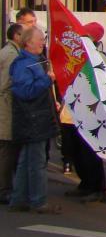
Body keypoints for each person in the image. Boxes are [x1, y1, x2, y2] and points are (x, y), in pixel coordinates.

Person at [8, 27, 59, 214]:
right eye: (40, 39)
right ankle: (38, 201)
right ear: (28, 42)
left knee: (26, 161)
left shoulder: (34, 62)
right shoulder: (24, 65)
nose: (43, 42)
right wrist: (46, 80)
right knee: (36, 162)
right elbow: (24, 92)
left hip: (35, 117)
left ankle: (19, 199)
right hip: (33, 119)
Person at [63, 24, 106, 204]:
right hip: (76, 109)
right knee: (75, 149)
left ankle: (98, 188)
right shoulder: (78, 56)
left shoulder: (98, 58)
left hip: (92, 110)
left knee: (89, 151)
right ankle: (85, 183)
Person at [0, 23, 24, 204]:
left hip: (6, 107)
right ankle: (4, 189)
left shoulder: (10, 51)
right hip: (6, 108)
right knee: (7, 151)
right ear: (16, 36)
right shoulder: (11, 55)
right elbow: (6, 84)